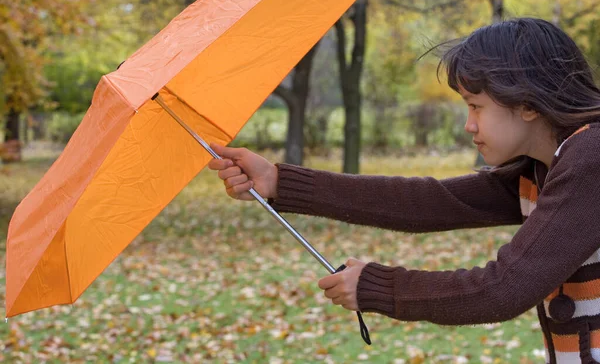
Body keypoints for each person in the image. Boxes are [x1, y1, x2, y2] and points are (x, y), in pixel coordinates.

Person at [207, 18, 600, 364]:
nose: (469, 125)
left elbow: (502, 290)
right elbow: (431, 202)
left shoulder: (590, 160)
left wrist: (377, 287)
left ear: (527, 102)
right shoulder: (546, 166)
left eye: (476, 106)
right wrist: (280, 182)